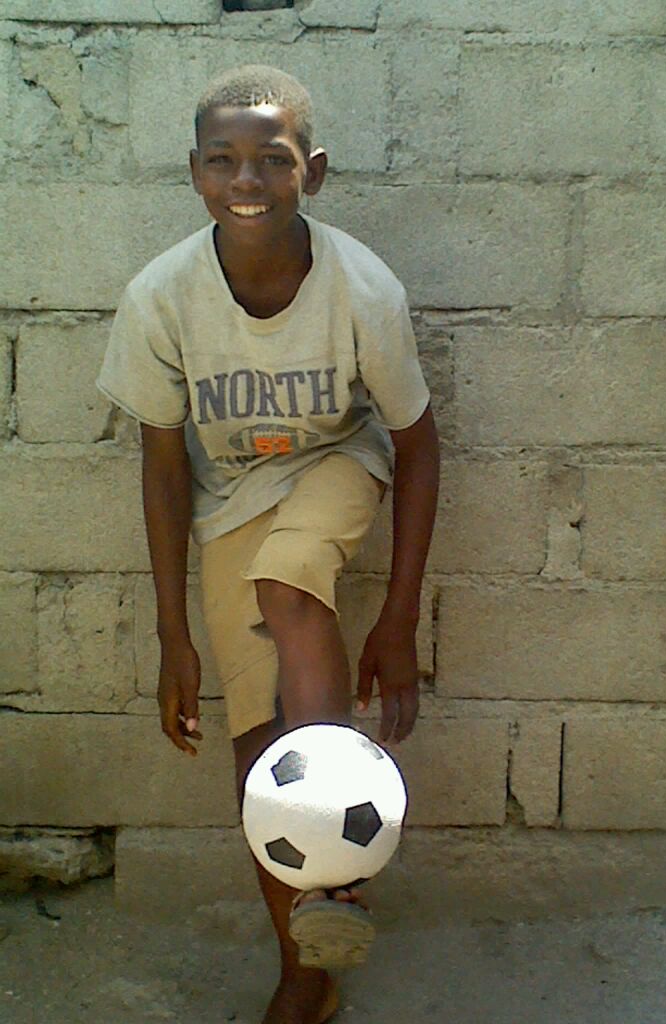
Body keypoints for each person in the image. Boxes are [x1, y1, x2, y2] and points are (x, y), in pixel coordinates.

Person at [97, 64, 439, 1024]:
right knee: (257, 750)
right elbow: (165, 466)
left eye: (273, 160)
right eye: (223, 160)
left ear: (312, 172)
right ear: (195, 172)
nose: (247, 181)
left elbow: (418, 446)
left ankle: (333, 887)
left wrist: (400, 620)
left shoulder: (362, 288)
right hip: (230, 499)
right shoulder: (162, 297)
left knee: (289, 587)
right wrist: (174, 633)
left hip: (339, 461)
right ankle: (307, 968)